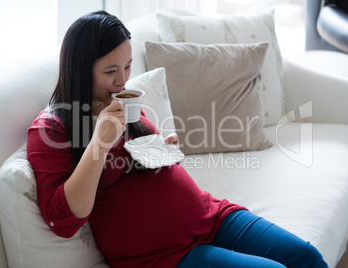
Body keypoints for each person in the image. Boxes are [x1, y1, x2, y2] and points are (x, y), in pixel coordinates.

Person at [27, 10, 329, 268]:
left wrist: (163, 151)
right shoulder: (51, 130)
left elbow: (139, 169)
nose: (123, 80)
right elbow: (62, 219)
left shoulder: (122, 106)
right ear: (80, 69)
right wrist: (99, 143)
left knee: (307, 256)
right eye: (110, 71)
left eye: (128, 66)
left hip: (210, 215)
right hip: (163, 255)